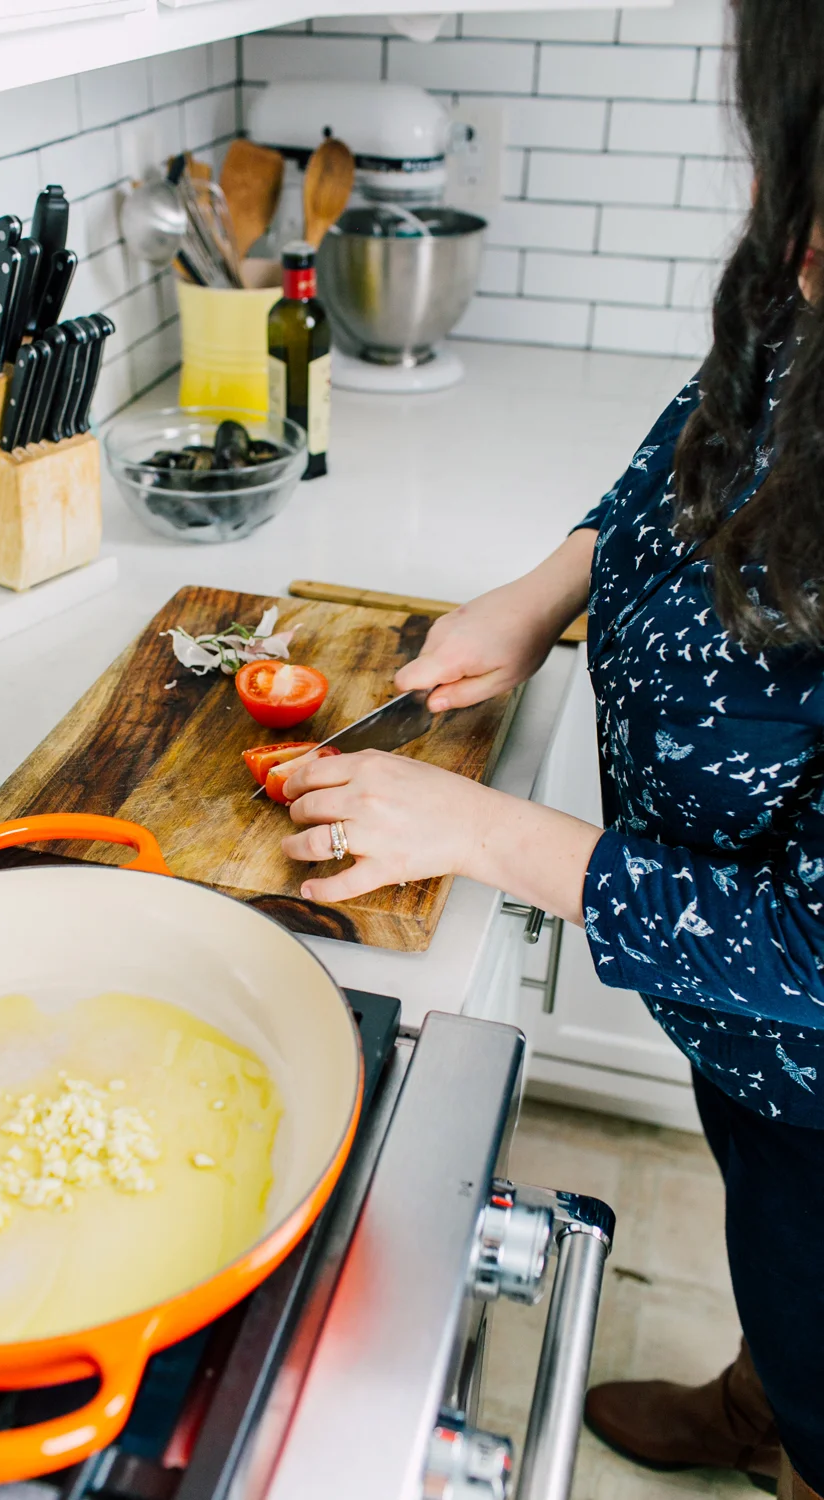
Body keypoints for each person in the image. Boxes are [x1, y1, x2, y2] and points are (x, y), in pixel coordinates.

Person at [279, 3, 824, 1495]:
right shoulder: (804, 280)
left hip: (816, 1059)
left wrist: (484, 839)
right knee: (773, 1237)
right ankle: (764, 1393)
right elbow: (705, 434)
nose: (795, 254)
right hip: (743, 1039)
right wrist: (540, 599)